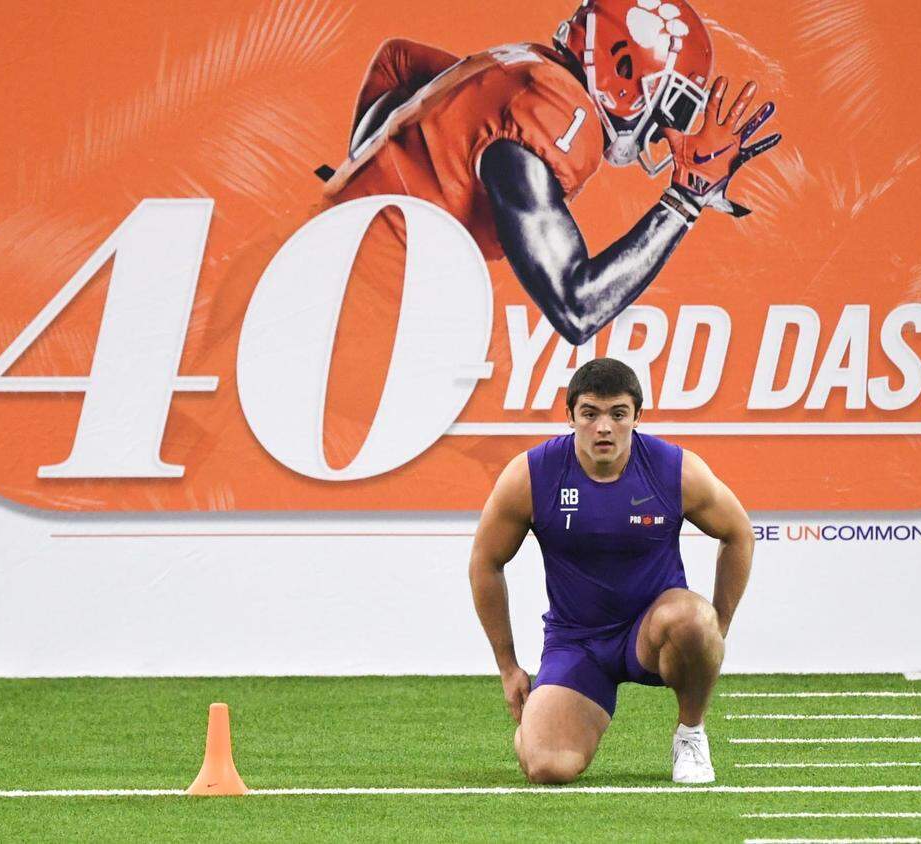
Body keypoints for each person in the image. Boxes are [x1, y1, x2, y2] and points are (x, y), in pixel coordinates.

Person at [318, 0, 780, 344]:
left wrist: (359, 175)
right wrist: (686, 199)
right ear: (622, 68)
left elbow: (397, 61)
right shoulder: (560, 113)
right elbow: (578, 308)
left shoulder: (522, 62)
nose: (666, 131)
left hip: (315, 249)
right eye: (673, 105)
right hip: (346, 316)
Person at [468, 358, 754, 783]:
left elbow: (739, 533)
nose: (604, 427)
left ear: (638, 416)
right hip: (578, 642)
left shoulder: (675, 470)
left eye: (618, 414)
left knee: (694, 620)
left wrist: (718, 629)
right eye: (590, 413)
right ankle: (540, 730)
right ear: (570, 417)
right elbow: (485, 563)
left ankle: (690, 733)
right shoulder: (531, 475)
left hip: (653, 632)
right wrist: (508, 667)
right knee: (547, 768)